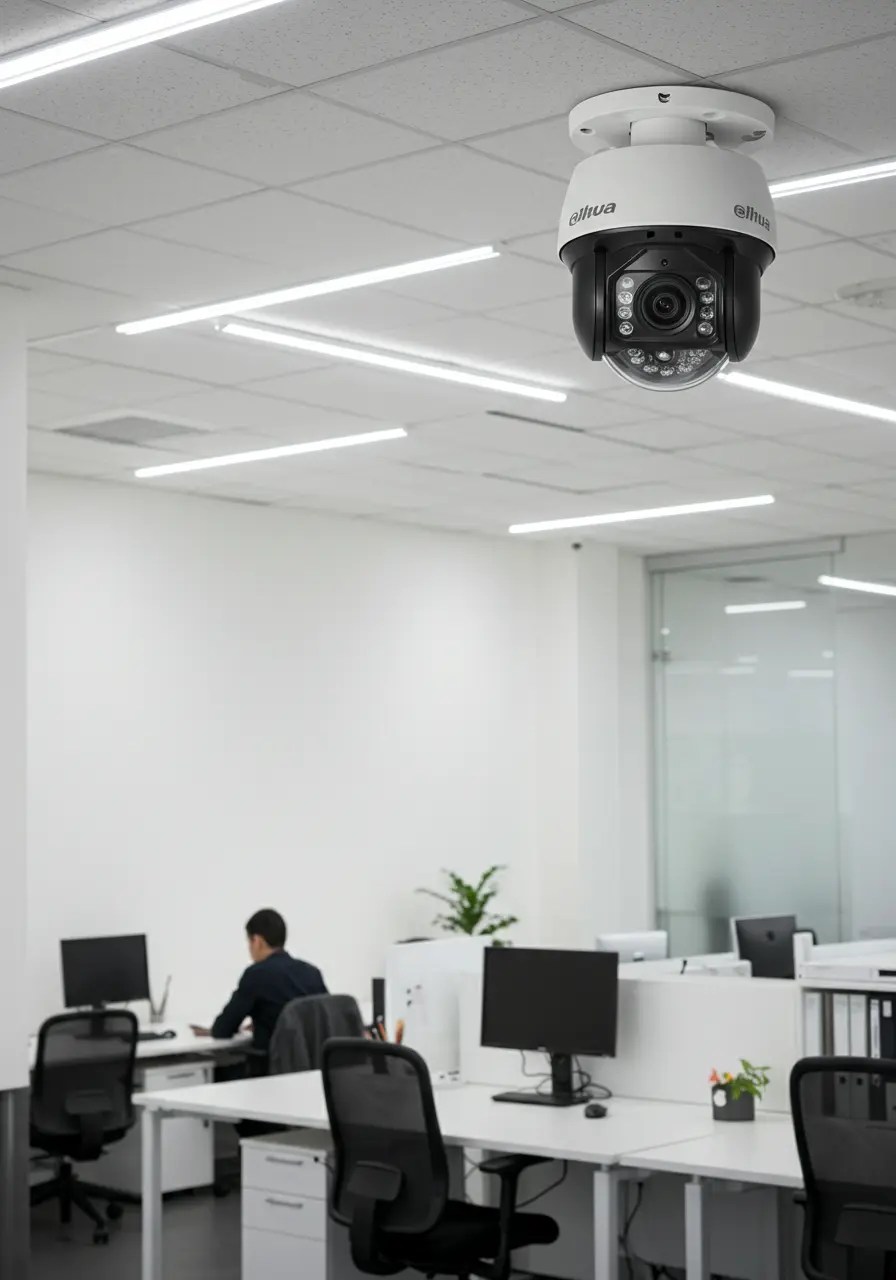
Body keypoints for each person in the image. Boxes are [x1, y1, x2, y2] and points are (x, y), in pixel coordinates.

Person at [194, 909, 327, 1052]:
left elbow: (222, 1030)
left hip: (275, 1067)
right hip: (313, 1066)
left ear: (257, 941)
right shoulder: (312, 972)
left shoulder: (256, 974)